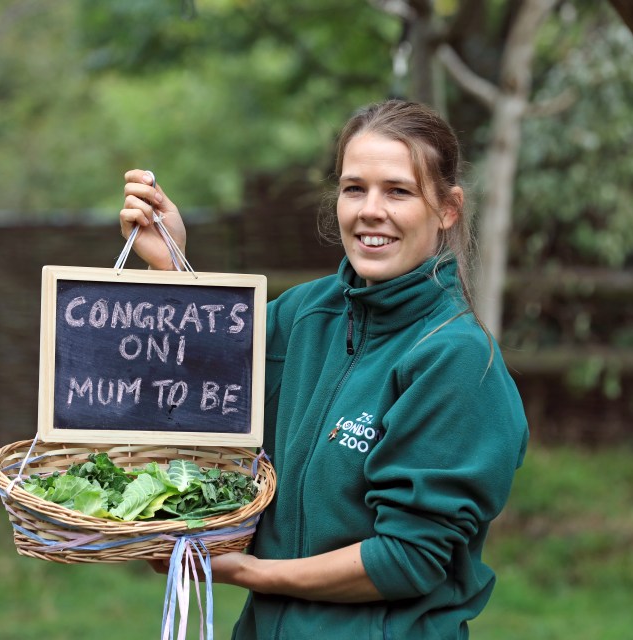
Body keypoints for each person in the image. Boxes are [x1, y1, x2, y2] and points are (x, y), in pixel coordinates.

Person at [119, 99, 528, 640]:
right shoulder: (306, 314)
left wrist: (250, 572)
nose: (370, 210)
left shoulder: (455, 359)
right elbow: (203, 375)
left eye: (398, 191)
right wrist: (171, 264)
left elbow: (407, 558)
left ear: (448, 208)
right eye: (354, 188)